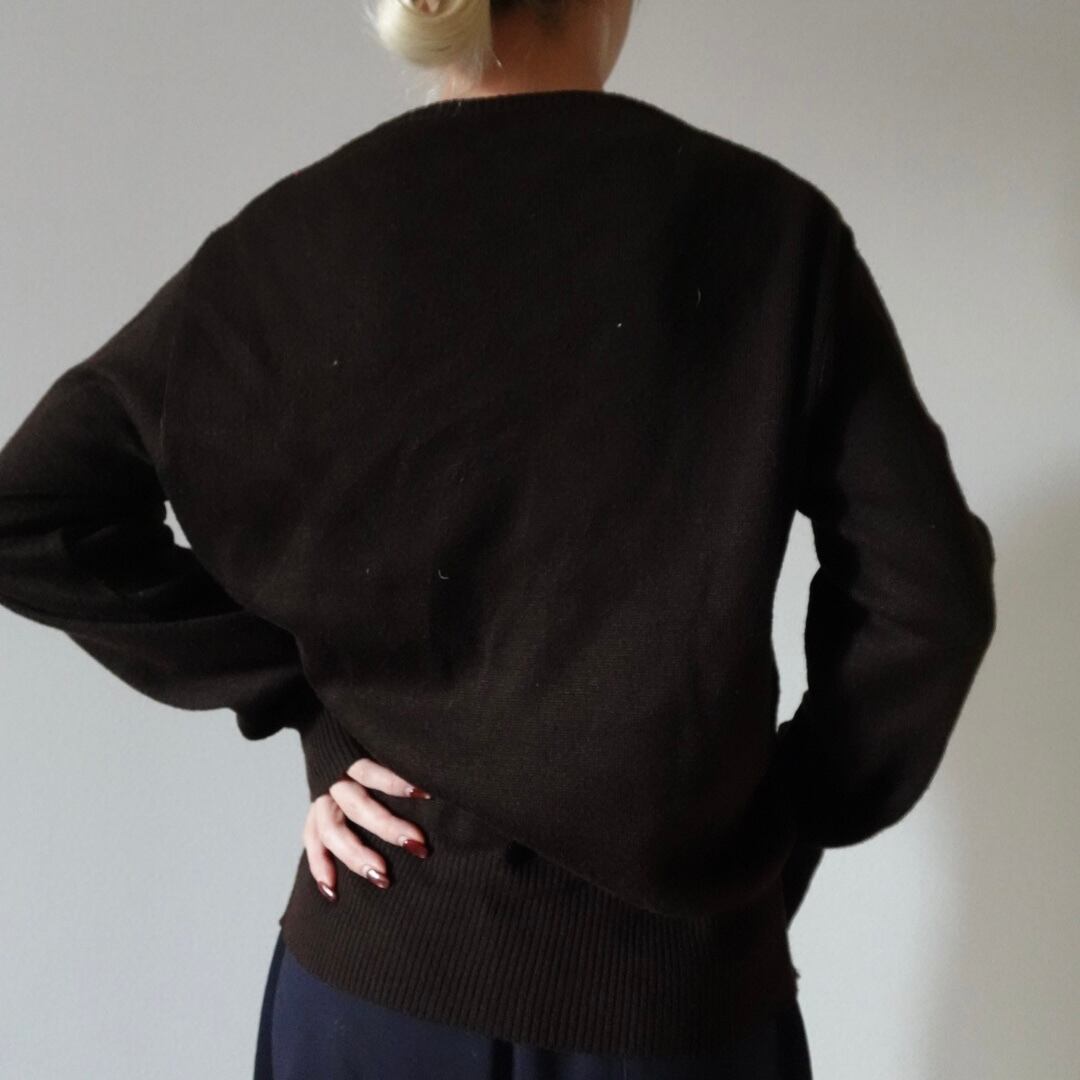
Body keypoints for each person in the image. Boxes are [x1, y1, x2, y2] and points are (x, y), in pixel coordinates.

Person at [0, 0, 997, 1077]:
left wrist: (305, 703)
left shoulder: (297, 239)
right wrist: (782, 822)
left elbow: (32, 512)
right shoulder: (770, 232)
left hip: (377, 986)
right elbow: (928, 600)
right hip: (679, 1007)